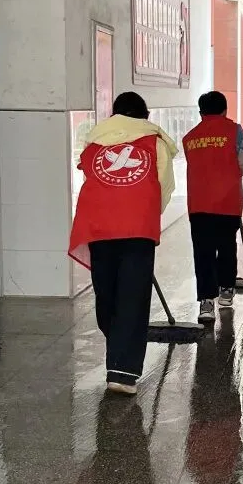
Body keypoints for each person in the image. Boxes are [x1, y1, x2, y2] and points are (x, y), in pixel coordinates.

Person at [68, 91, 177, 395]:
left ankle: (119, 361)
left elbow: (91, 179)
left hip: (98, 228)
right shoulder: (154, 143)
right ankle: (122, 368)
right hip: (136, 230)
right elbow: (165, 186)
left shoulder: (94, 142)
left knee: (107, 294)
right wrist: (144, 214)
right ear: (144, 116)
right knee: (132, 296)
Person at [183, 91, 243, 322]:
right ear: (225, 110)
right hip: (228, 201)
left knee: (202, 251)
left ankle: (206, 302)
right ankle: (226, 290)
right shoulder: (234, 131)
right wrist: (230, 175)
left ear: (201, 112)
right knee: (226, 246)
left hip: (199, 203)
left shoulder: (189, 137)